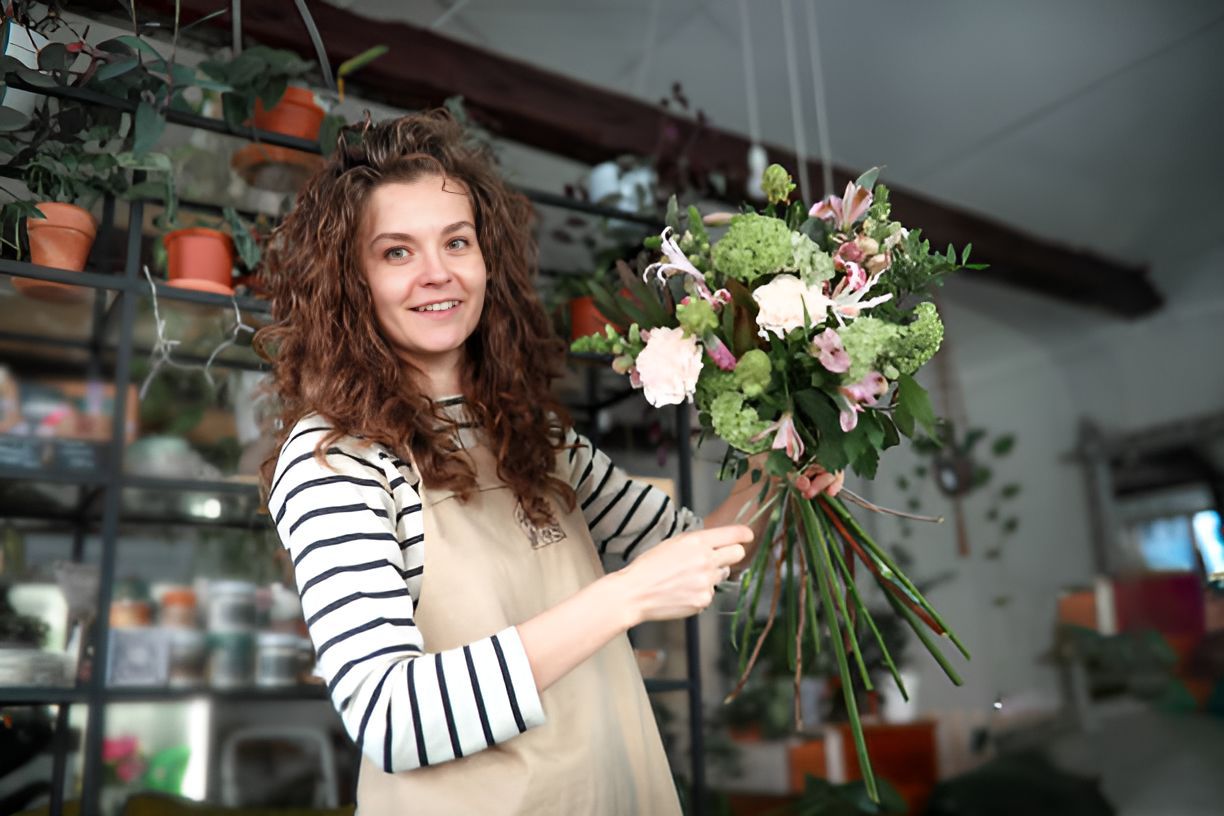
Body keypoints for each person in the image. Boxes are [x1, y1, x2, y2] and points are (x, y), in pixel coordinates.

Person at [256, 110, 842, 815]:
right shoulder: (336, 460)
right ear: (349, 280)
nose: (438, 274)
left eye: (457, 241)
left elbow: (688, 553)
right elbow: (392, 718)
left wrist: (777, 476)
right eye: (396, 252)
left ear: (486, 258)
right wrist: (622, 597)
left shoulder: (533, 436)